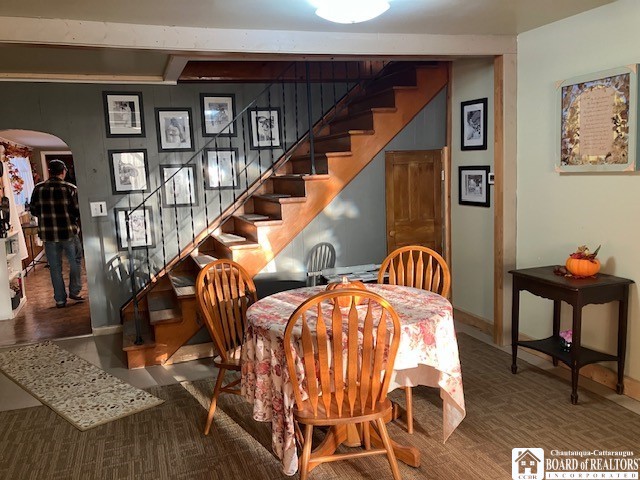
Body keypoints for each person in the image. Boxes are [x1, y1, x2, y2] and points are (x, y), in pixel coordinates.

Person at [29, 159, 83, 308]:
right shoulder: (70, 188)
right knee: (75, 261)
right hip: (68, 233)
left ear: (49, 172)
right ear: (63, 171)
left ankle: (60, 299)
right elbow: (77, 211)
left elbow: (33, 210)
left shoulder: (38, 189)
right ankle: (75, 291)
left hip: (49, 235)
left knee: (55, 267)